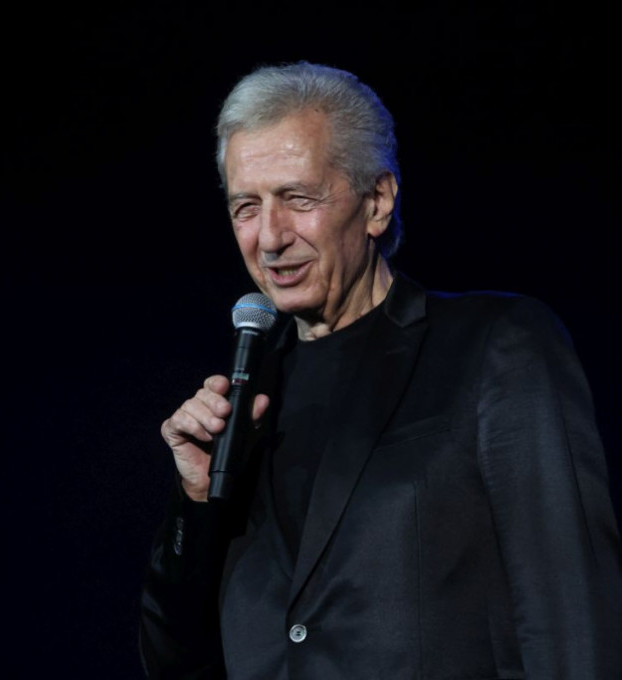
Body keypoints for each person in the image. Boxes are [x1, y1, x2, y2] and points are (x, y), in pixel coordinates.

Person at [139, 61, 622, 679]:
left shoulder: (493, 346)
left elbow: (568, 613)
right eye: (246, 207)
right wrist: (196, 501)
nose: (270, 237)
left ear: (377, 201)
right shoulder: (246, 406)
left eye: (298, 198)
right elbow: (175, 662)